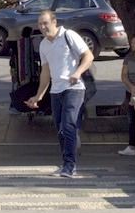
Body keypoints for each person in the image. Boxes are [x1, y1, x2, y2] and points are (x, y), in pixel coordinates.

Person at [25, 10, 94, 178]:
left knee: (68, 124)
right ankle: (66, 162)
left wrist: (77, 72)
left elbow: (88, 56)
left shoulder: (68, 36)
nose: (42, 27)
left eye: (45, 23)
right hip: (56, 90)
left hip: (74, 88)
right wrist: (39, 96)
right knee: (61, 129)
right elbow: (45, 72)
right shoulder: (43, 45)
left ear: (54, 22)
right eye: (40, 24)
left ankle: (70, 166)